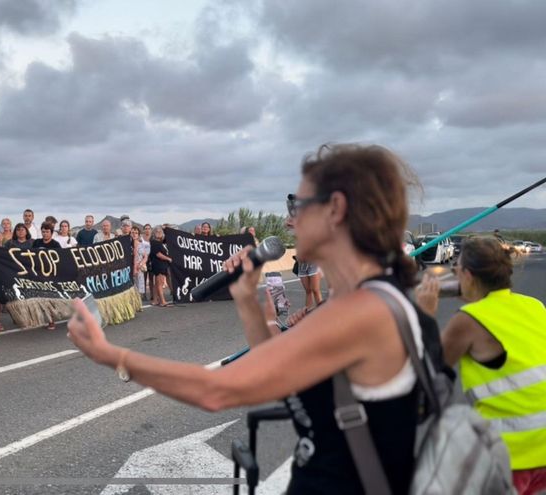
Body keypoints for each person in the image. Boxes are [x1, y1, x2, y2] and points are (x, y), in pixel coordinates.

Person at [68, 143, 449, 494]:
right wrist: (247, 299)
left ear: (335, 209)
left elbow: (217, 391)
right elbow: (277, 373)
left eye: (296, 207)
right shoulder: (366, 299)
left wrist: (112, 356)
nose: (288, 223)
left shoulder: (360, 314)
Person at [416, 237, 545, 495]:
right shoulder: (535, 306)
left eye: (456, 269)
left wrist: (425, 317)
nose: (453, 273)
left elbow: (428, 377)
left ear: (467, 275)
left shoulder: (468, 321)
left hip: (509, 454)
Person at [33, 222, 61, 329]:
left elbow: (60, 260)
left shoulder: (55, 245)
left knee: (49, 297)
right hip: (37, 273)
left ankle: (51, 320)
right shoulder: (36, 243)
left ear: (51, 233)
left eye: (47, 232)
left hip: (50, 275)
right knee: (38, 297)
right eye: (43, 232)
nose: (45, 234)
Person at [149, 226, 172, 307]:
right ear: (154, 233)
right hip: (159, 264)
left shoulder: (160, 242)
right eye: (157, 232)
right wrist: (168, 259)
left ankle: (155, 300)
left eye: (160, 232)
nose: (159, 233)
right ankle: (162, 301)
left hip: (161, 264)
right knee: (160, 283)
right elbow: (158, 254)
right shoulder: (154, 242)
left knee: (157, 283)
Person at [131, 226, 149, 305]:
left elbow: (145, 257)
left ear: (138, 234)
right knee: (131, 287)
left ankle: (138, 304)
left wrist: (140, 264)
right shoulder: (128, 244)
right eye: (132, 233)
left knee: (139, 287)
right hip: (130, 267)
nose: (134, 234)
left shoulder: (141, 245)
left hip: (139, 268)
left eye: (136, 233)